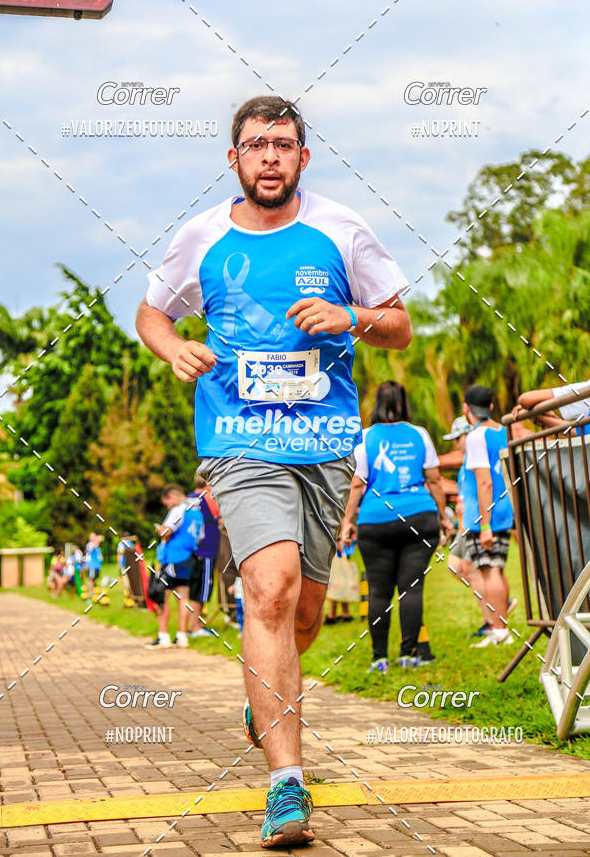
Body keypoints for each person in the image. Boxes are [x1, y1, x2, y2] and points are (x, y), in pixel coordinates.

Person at [135, 94, 411, 848]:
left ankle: (266, 701)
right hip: (238, 439)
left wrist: (351, 317)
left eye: (282, 144)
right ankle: (286, 784)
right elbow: (153, 313)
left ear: (303, 157)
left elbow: (399, 326)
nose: (269, 157)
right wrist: (174, 348)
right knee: (271, 587)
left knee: (305, 616)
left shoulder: (341, 230)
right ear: (234, 159)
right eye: (256, 145)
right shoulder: (203, 236)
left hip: (324, 443)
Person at [340, 381, 451, 672]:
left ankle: (379, 659)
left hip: (375, 519)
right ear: (403, 402)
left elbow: (357, 485)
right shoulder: (419, 434)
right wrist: (443, 517)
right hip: (419, 516)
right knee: (411, 589)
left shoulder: (365, 437)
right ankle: (409, 655)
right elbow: (434, 480)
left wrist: (347, 522)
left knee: (378, 592)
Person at [461, 385, 515, 648]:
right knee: (497, 569)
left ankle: (500, 631)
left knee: (488, 569)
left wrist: (484, 525)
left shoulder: (475, 436)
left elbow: (484, 482)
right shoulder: (504, 432)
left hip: (484, 514)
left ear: (466, 408)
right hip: (505, 508)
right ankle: (501, 628)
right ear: (491, 406)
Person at [145, 484, 205, 650]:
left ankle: (163, 637)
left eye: (167, 503)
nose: (167, 506)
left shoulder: (178, 510)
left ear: (172, 496)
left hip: (173, 558)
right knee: (183, 597)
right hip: (189, 558)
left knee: (161, 596)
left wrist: (159, 529)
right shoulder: (197, 513)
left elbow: (167, 532)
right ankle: (182, 636)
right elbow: (200, 537)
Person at [185, 473, 220, 637]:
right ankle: (196, 626)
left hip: (190, 551)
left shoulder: (188, 499)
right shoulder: (208, 497)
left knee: (192, 589)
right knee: (201, 590)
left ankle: (191, 625)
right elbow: (220, 515)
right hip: (206, 549)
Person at [514, 379, 590, 435]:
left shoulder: (586, 388)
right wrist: (540, 417)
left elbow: (525, 399)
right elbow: (580, 432)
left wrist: (537, 414)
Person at [324, 540, 356, 624]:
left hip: (339, 557)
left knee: (337, 587)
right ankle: (343, 614)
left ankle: (333, 615)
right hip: (341, 555)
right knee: (340, 586)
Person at [85, 533, 104, 599]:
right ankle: (91, 593)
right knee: (91, 579)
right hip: (92, 565)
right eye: (93, 536)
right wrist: (98, 540)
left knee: (94, 580)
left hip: (97, 566)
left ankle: (95, 592)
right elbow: (92, 548)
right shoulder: (90, 544)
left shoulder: (97, 546)